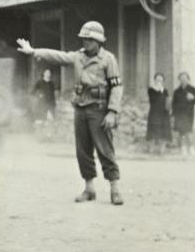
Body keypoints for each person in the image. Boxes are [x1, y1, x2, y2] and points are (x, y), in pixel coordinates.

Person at [17, 21, 124, 205]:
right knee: (82, 150)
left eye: (89, 39)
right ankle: (89, 189)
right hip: (81, 108)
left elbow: (116, 87)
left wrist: (112, 111)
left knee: (105, 149)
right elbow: (58, 56)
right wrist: (34, 51)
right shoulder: (78, 57)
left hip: (99, 109)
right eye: (84, 39)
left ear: (98, 41)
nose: (85, 43)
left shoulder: (108, 59)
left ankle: (115, 188)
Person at [172, 71, 195, 157]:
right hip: (179, 114)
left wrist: (193, 98)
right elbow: (174, 104)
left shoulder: (193, 90)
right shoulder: (177, 91)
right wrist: (173, 115)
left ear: (188, 79)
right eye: (181, 79)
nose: (183, 80)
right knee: (181, 132)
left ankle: (192, 148)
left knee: (188, 132)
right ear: (179, 80)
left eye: (185, 79)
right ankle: (183, 149)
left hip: (189, 114)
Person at [146, 73, 172, 155]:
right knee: (153, 130)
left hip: (164, 113)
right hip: (154, 112)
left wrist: (169, 108)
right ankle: (152, 149)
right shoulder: (151, 90)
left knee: (164, 131)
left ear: (163, 81)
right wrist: (158, 90)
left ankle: (162, 149)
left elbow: (168, 101)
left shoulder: (165, 90)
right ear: (154, 80)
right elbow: (152, 100)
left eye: (161, 80)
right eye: (157, 80)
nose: (159, 81)